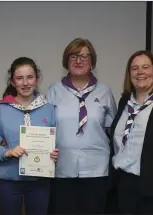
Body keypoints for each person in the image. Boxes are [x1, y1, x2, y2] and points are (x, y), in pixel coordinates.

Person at [46, 37, 117, 214]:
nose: (79, 61)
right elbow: (46, 128)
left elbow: (113, 131)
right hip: (63, 169)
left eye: (84, 57)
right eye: (73, 56)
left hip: (97, 170)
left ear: (91, 62)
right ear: (66, 61)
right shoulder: (54, 91)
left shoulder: (105, 92)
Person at [0, 57, 59, 215]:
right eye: (19, 78)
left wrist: (53, 153)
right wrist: (7, 152)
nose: (25, 83)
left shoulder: (49, 109)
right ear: (12, 82)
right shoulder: (1, 110)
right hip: (9, 181)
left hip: (40, 182)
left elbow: (54, 142)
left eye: (30, 77)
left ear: (37, 79)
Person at [110, 50, 153, 214]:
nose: (140, 72)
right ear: (129, 74)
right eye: (134, 68)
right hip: (123, 185)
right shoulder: (124, 101)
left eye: (145, 67)